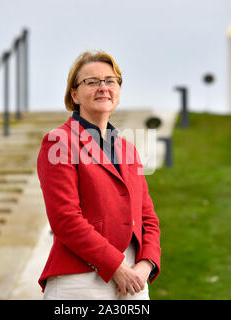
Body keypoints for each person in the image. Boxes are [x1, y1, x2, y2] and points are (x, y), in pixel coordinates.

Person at [36, 50, 161, 300]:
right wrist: (116, 267)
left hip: (134, 282)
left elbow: (148, 218)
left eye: (110, 81)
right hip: (80, 282)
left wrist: (145, 265)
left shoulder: (128, 149)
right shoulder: (58, 142)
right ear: (74, 94)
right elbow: (66, 220)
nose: (103, 87)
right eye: (92, 82)